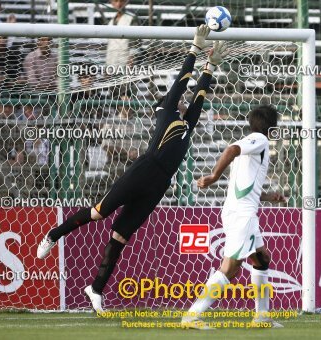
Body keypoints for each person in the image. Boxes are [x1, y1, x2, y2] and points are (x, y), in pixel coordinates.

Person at [37, 25, 228, 313]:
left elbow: (199, 95)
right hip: (145, 169)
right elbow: (181, 83)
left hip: (160, 184)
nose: (184, 101)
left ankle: (95, 289)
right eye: (178, 100)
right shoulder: (166, 112)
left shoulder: (187, 125)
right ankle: (54, 234)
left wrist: (210, 67)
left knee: (121, 236)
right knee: (100, 212)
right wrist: (194, 50)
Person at [181, 105, 285, 329]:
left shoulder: (252, 145)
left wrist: (268, 196)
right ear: (272, 127)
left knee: (261, 259)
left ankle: (262, 316)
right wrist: (213, 176)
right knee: (230, 266)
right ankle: (193, 314)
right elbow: (231, 149)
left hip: (240, 209)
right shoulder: (259, 140)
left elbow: (245, 185)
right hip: (242, 214)